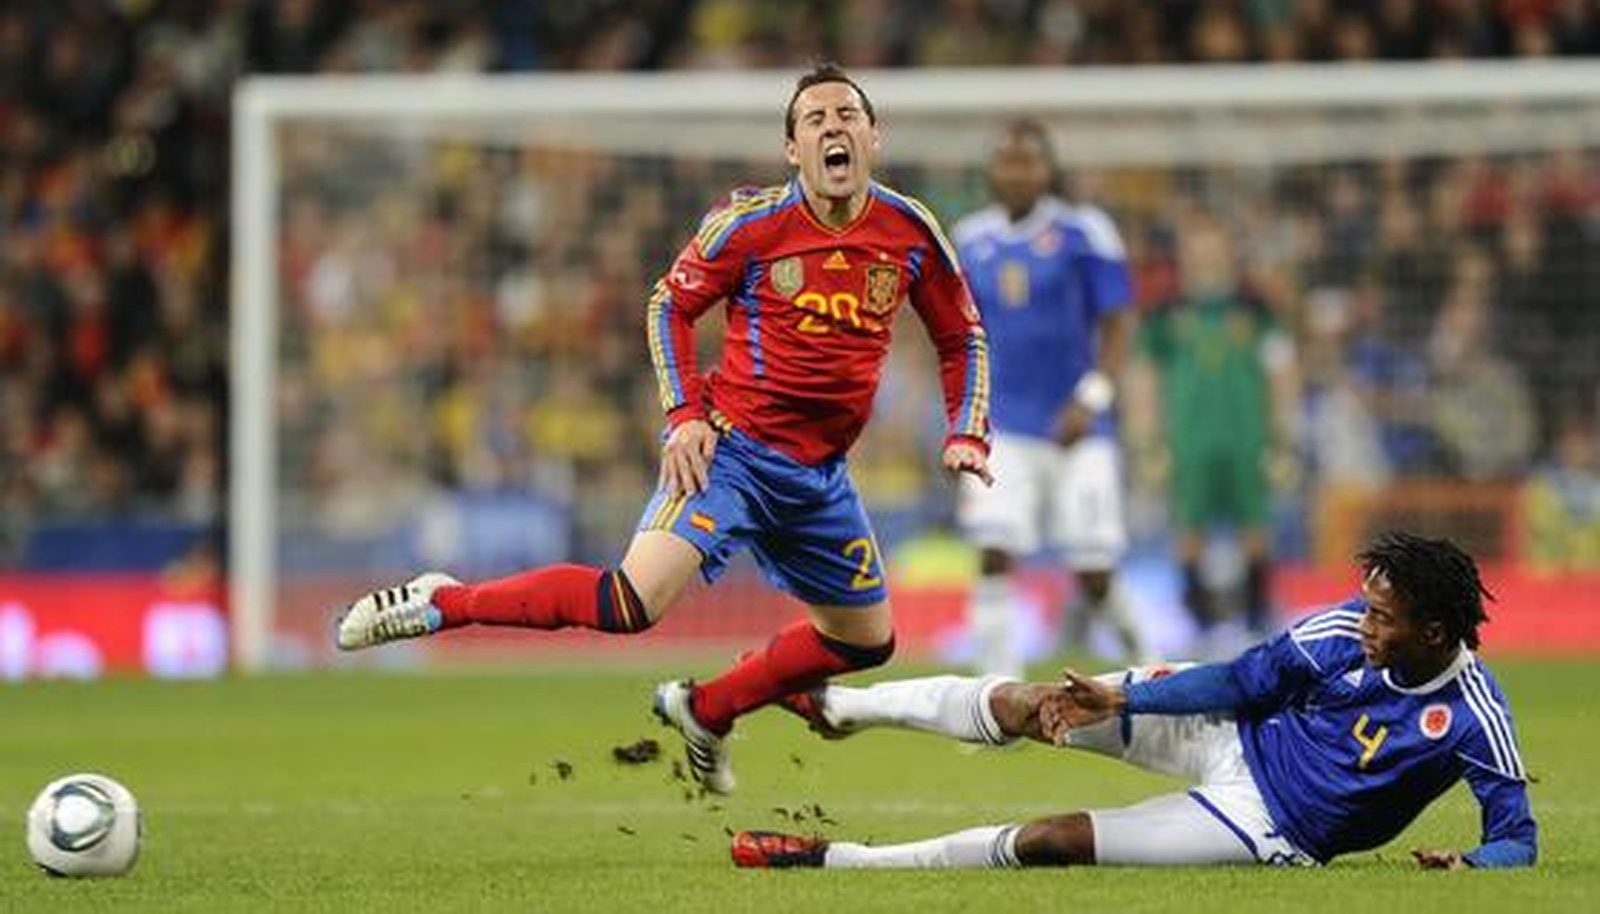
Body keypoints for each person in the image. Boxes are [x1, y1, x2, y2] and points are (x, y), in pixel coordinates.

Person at [335, 63, 993, 795]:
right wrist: (683, 417)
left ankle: (706, 709)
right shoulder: (750, 226)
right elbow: (668, 306)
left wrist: (966, 429)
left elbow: (960, 335)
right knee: (630, 603)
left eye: (847, 115)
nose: (833, 127)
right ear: (792, 149)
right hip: (731, 453)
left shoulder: (909, 230)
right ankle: (442, 602)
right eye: (815, 119)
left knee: (865, 641)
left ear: (874, 136)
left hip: (818, 476)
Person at [737, 532, 1536, 870]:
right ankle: (844, 707)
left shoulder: (1475, 717)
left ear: (1434, 632)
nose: (1364, 622)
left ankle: (839, 860)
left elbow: (1517, 838)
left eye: (1383, 617)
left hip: (1268, 824)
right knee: (1036, 702)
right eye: (1367, 606)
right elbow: (1240, 681)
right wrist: (1121, 695)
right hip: (1229, 729)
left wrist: (1472, 863)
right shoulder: (1337, 630)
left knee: (1052, 840)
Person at [951, 119, 1144, 679]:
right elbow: (957, 336)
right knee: (993, 554)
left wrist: (1093, 397)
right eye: (1006, 162)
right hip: (1003, 427)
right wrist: (961, 420)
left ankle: (1154, 666)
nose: (1016, 173)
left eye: (1028, 162)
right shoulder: (968, 240)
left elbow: (1119, 322)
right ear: (992, 170)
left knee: (1094, 572)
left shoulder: (1086, 232)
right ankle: (997, 693)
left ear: (1047, 169)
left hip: (1077, 426)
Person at [1129, 214, 1298, 641]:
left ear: (1228, 252)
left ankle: (1257, 619)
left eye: (1212, 247)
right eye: (1196, 248)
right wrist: (1147, 440)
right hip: (1187, 441)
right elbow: (1145, 375)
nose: (1204, 256)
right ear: (1184, 255)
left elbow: (1281, 371)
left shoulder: (1255, 309)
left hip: (1248, 438)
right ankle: (1200, 624)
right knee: (1189, 529)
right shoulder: (1165, 311)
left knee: (1255, 527)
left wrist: (1284, 435)